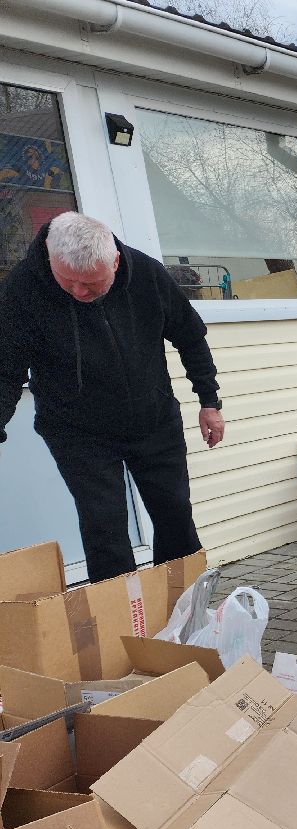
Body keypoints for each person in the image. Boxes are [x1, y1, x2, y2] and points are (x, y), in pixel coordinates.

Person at [0, 212, 222, 582]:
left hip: (153, 420)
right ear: (51, 258)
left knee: (175, 514)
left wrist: (209, 400)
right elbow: (5, 369)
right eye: (68, 281)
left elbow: (190, 336)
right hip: (77, 432)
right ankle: (122, 619)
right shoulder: (22, 290)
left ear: (115, 261)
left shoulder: (147, 275)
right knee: (104, 526)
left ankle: (182, 608)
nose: (79, 292)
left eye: (91, 283)